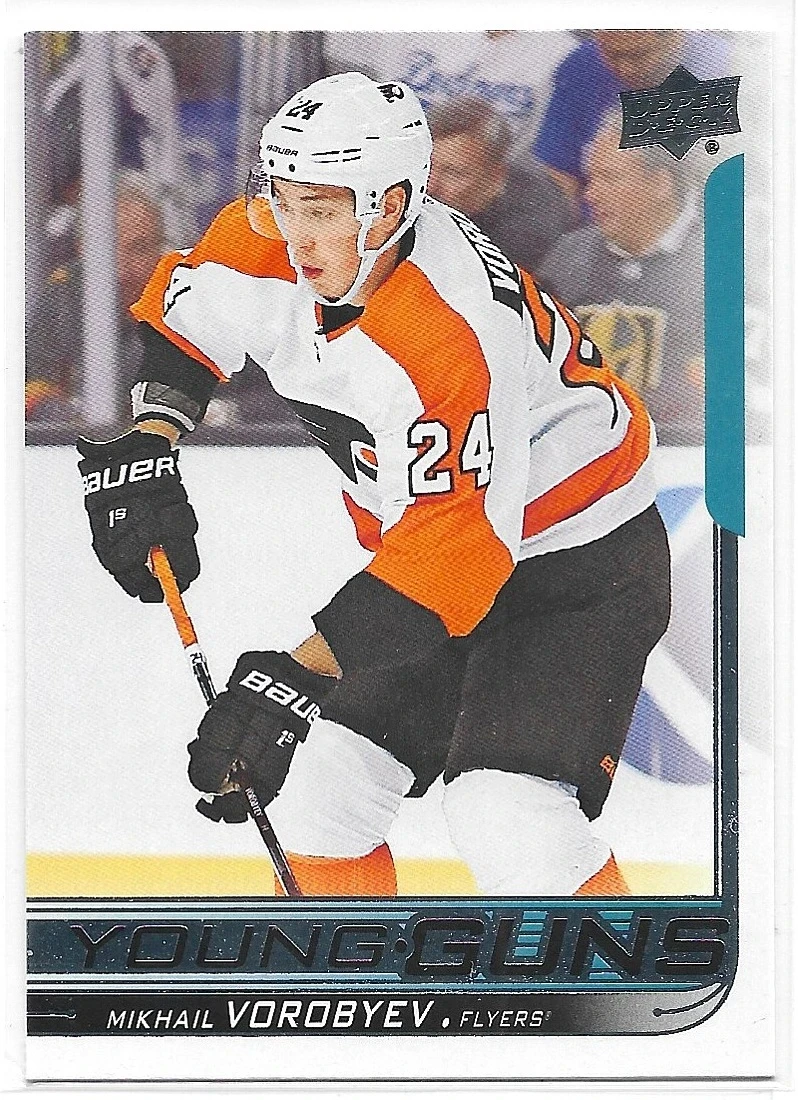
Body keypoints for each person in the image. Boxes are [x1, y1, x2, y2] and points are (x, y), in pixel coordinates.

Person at [77, 73, 671, 898]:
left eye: (321, 210)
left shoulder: (449, 331)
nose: (294, 235)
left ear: (390, 208)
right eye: (283, 200)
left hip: (577, 564)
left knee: (507, 814)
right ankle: (347, 975)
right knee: (317, 788)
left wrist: (293, 678)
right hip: (438, 546)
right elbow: (189, 325)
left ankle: (611, 974)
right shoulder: (269, 232)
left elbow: (454, 562)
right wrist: (153, 440)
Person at [538, 114, 704, 445]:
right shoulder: (568, 256)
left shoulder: (729, 260)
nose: (590, 195)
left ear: (660, 184)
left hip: (688, 451)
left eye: (609, 178)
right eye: (590, 179)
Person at [534, 30, 730, 212]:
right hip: (596, 225)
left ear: (675, 37)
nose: (625, 69)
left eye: (639, 55)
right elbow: (560, 172)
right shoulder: (582, 65)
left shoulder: (721, 69)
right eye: (613, 55)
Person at [26, 176, 166, 425]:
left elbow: (236, 397)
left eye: (140, 248)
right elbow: (32, 389)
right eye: (109, 248)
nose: (122, 267)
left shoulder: (189, 297)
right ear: (82, 249)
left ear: (161, 249)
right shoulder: (61, 297)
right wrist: (76, 423)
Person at [426, 98, 574, 273]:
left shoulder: (528, 234)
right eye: (425, 166)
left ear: (496, 177)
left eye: (454, 174)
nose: (429, 186)